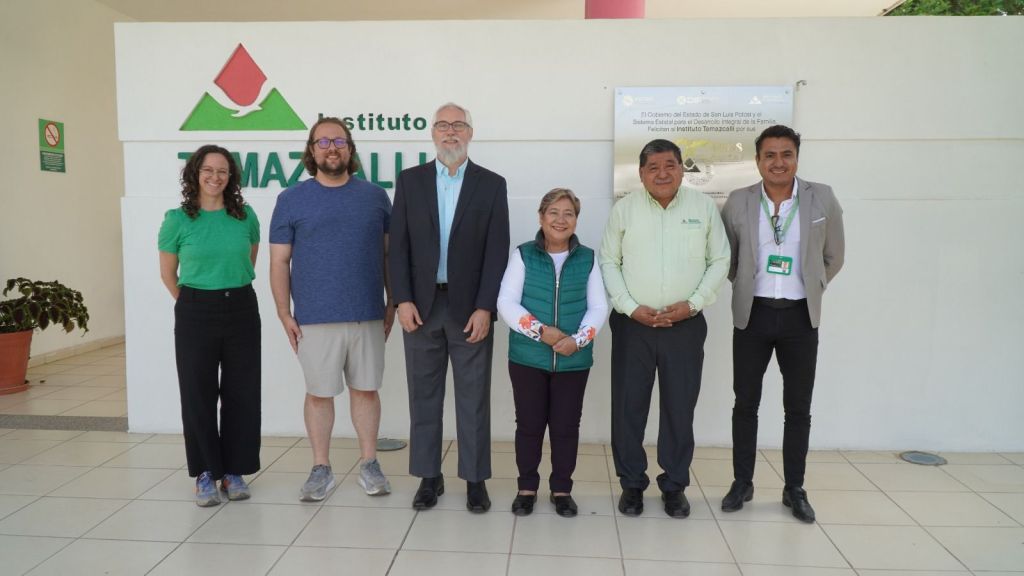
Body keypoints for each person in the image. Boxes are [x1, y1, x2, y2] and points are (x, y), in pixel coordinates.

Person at [720, 125, 845, 523]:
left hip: (800, 317)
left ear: (796, 158)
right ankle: (742, 482)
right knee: (746, 403)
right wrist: (746, 285)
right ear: (758, 160)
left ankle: (795, 488)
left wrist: (813, 285)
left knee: (798, 407)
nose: (778, 162)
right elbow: (728, 259)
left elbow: (834, 256)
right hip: (753, 314)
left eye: (786, 154)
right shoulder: (738, 201)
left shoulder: (821, 197)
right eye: (770, 155)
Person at [389, 102, 510, 512]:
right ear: (433, 133)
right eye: (443, 125)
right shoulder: (410, 181)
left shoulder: (491, 184)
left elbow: (496, 251)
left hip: (469, 309)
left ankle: (475, 479)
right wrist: (402, 299)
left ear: (471, 133)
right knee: (423, 397)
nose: (450, 132)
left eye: (458, 125)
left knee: (473, 399)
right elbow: (398, 246)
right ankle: (429, 477)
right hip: (420, 307)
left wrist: (485, 307)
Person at [600, 138, 729, 518]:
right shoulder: (624, 210)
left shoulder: (703, 208)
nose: (662, 173)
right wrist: (630, 307)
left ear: (681, 169)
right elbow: (608, 262)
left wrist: (693, 304)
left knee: (679, 408)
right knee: (629, 408)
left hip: (684, 325)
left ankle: (674, 485)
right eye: (653, 167)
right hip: (633, 325)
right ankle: (632, 484)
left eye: (669, 165)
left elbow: (720, 261)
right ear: (641, 173)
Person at [269, 117, 394, 502]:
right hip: (314, 316)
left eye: (339, 141)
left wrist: (392, 302)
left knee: (366, 390)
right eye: (322, 142)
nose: (332, 148)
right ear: (311, 151)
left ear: (350, 149)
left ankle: (369, 464)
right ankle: (320, 468)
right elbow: (279, 261)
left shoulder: (375, 197)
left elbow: (389, 256)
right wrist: (284, 313)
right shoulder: (291, 199)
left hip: (367, 313)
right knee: (319, 394)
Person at [158, 144, 261, 507]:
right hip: (195, 310)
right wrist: (194, 303)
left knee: (242, 393)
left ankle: (234, 471)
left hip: (241, 307)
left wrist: (225, 294)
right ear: (195, 174)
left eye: (222, 171)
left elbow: (248, 261)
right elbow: (168, 274)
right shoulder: (177, 219)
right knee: (197, 393)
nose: (215, 177)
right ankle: (204, 472)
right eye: (208, 170)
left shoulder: (245, 216)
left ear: (231, 177)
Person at [497, 188, 608, 517]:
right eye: (554, 212)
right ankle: (526, 488)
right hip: (528, 359)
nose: (561, 219)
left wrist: (578, 340)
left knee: (565, 427)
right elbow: (506, 302)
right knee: (529, 425)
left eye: (568, 213)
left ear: (576, 220)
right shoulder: (523, 255)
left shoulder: (587, 258)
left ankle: (562, 489)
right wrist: (540, 332)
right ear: (541, 217)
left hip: (574, 361)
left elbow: (599, 306)